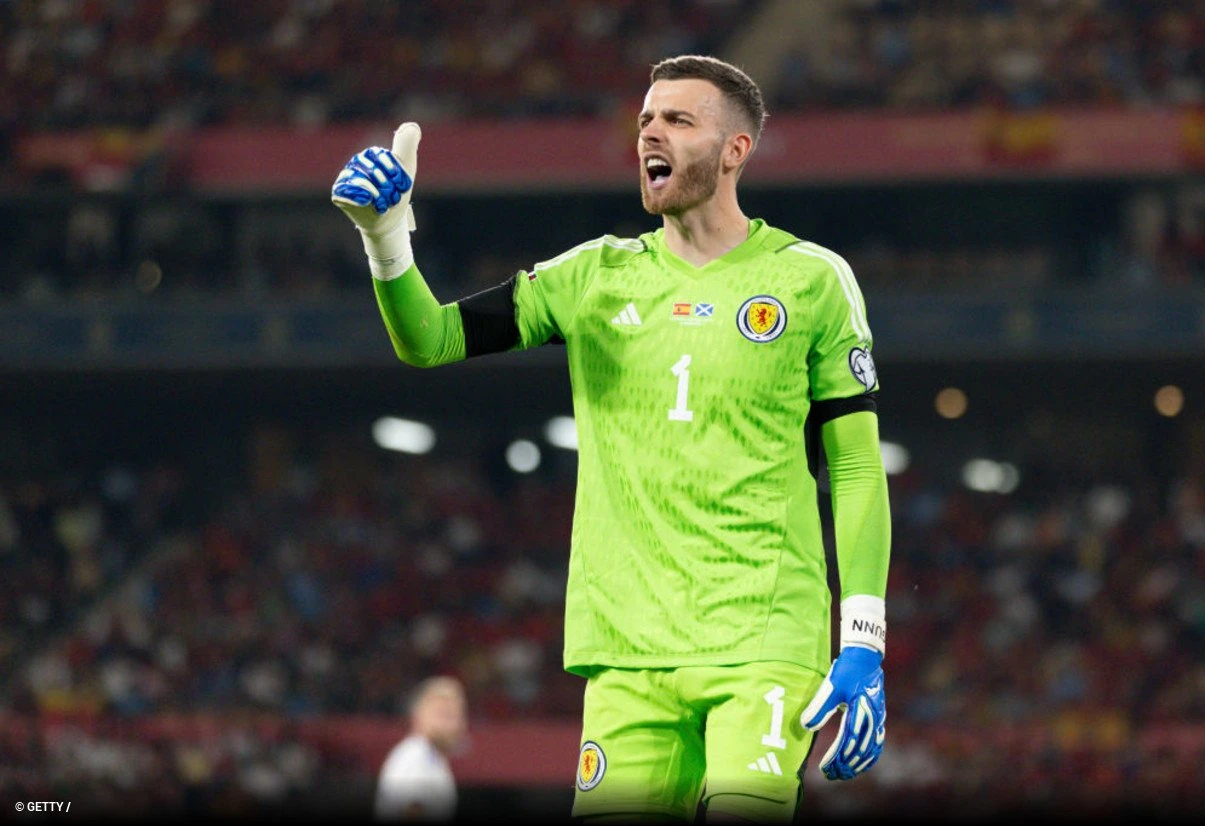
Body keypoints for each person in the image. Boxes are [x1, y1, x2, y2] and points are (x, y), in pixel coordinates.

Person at [333, 55, 891, 823]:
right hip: (627, 654)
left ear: (735, 150)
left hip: (763, 638)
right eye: (645, 121)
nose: (650, 134)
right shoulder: (592, 277)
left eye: (678, 120)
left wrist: (863, 635)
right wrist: (387, 242)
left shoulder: (812, 280)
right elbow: (430, 340)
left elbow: (856, 466)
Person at [374, 676, 468, 822]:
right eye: (443, 715)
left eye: (455, 716)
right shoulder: (416, 755)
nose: (450, 724)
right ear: (418, 716)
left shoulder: (432, 758)